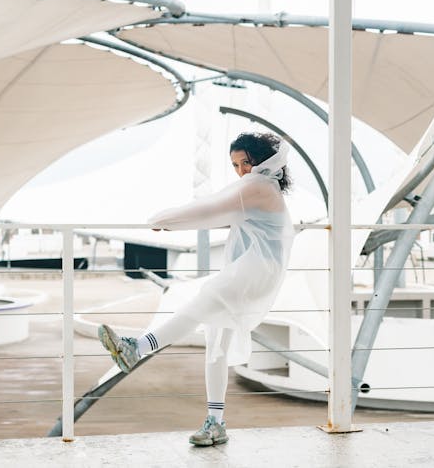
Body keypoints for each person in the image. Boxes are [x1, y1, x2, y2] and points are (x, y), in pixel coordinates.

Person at [98, 132, 294, 446]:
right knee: (216, 345)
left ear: (262, 160)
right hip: (253, 269)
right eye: (235, 165)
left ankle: (139, 347)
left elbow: (208, 209)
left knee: (206, 299)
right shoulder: (262, 187)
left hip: (255, 269)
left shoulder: (258, 186)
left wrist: (165, 220)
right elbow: (215, 213)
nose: (242, 170)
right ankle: (215, 423)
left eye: (246, 162)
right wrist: (171, 222)